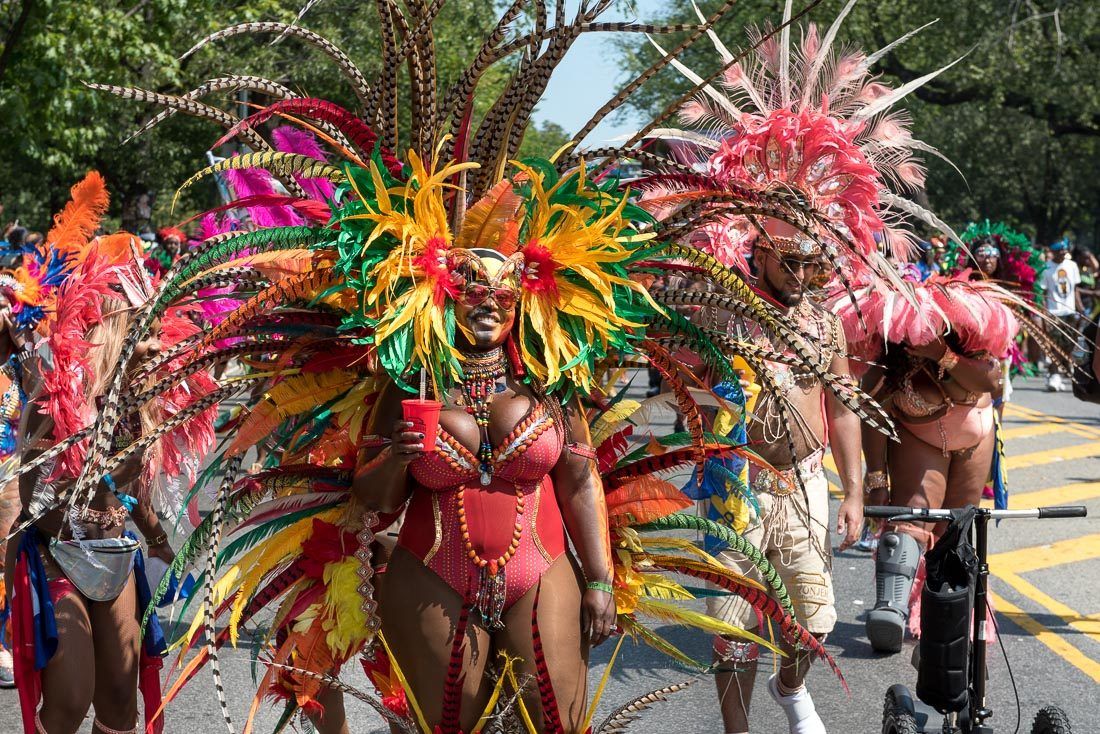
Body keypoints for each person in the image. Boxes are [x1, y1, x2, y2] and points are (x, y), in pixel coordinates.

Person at [88, 5, 846, 731]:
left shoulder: (548, 375)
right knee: (446, 720)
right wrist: (403, 461)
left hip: (539, 560)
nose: (485, 301)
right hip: (430, 563)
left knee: (557, 716)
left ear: (523, 296)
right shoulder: (410, 376)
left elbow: (578, 477)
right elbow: (372, 490)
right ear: (443, 294)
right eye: (468, 286)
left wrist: (600, 580)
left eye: (500, 287)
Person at [647, 3, 967, 729]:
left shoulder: (823, 319)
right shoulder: (721, 307)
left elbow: (845, 405)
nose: (809, 272)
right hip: (736, 482)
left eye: (818, 261)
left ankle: (791, 689)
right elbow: (677, 371)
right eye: (794, 259)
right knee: (734, 628)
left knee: (814, 621)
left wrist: (855, 490)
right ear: (758, 249)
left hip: (804, 480)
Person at [2, 173, 216, 734]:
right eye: (134, 325)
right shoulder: (57, 392)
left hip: (115, 554)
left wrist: (163, 539)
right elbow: (46, 495)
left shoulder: (143, 399)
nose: (148, 340)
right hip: (56, 551)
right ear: (105, 326)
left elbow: (137, 487)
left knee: (122, 702)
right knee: (71, 701)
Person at [839, 268, 1026, 654]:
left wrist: (941, 355)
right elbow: (871, 411)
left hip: (976, 439)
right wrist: (877, 479)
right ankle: (889, 607)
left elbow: (991, 381)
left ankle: (946, 614)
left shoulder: (974, 336)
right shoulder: (892, 350)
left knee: (956, 529)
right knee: (912, 520)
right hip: (919, 440)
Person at [1040, 239, 1083, 391]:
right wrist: (1044, 314)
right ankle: (1054, 375)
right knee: (1055, 346)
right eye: (1060, 250)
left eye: (1065, 250)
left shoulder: (1072, 266)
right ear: (1053, 252)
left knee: (1068, 346)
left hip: (1070, 312)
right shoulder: (1046, 268)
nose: (1064, 253)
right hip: (1054, 313)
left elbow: (1075, 289)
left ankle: (1059, 372)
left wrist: (1080, 309)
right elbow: (1044, 294)